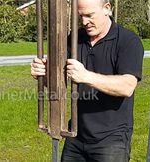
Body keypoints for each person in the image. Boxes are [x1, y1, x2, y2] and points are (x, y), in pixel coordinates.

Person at [31, 0, 144, 161]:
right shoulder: (75, 39)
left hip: (112, 139)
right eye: (81, 16)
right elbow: (57, 83)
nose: (85, 22)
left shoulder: (128, 41)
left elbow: (127, 86)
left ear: (107, 9)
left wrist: (86, 76)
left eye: (89, 15)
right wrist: (43, 75)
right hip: (76, 134)